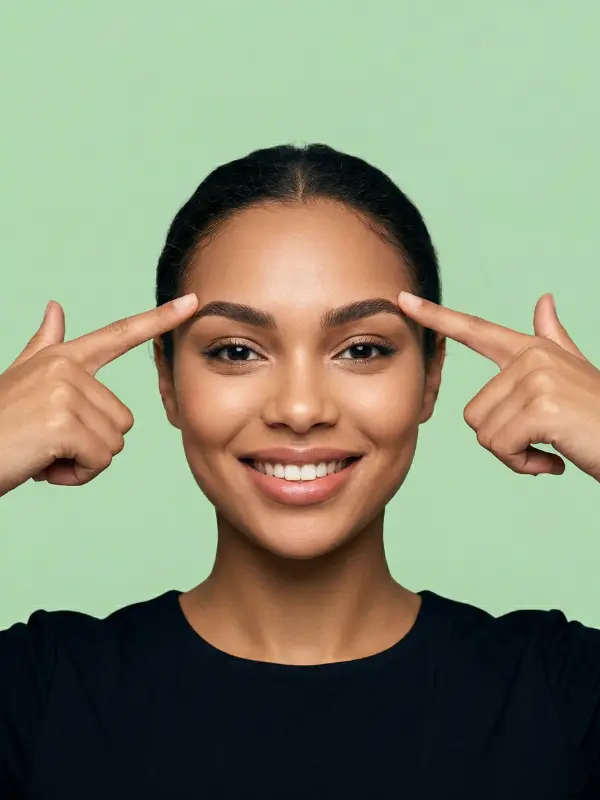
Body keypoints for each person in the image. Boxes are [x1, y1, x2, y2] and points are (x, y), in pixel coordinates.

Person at [1, 144, 600, 799]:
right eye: (235, 351)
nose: (300, 408)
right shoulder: (38, 695)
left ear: (432, 376)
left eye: (362, 349)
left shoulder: (560, 696)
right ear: (167, 382)